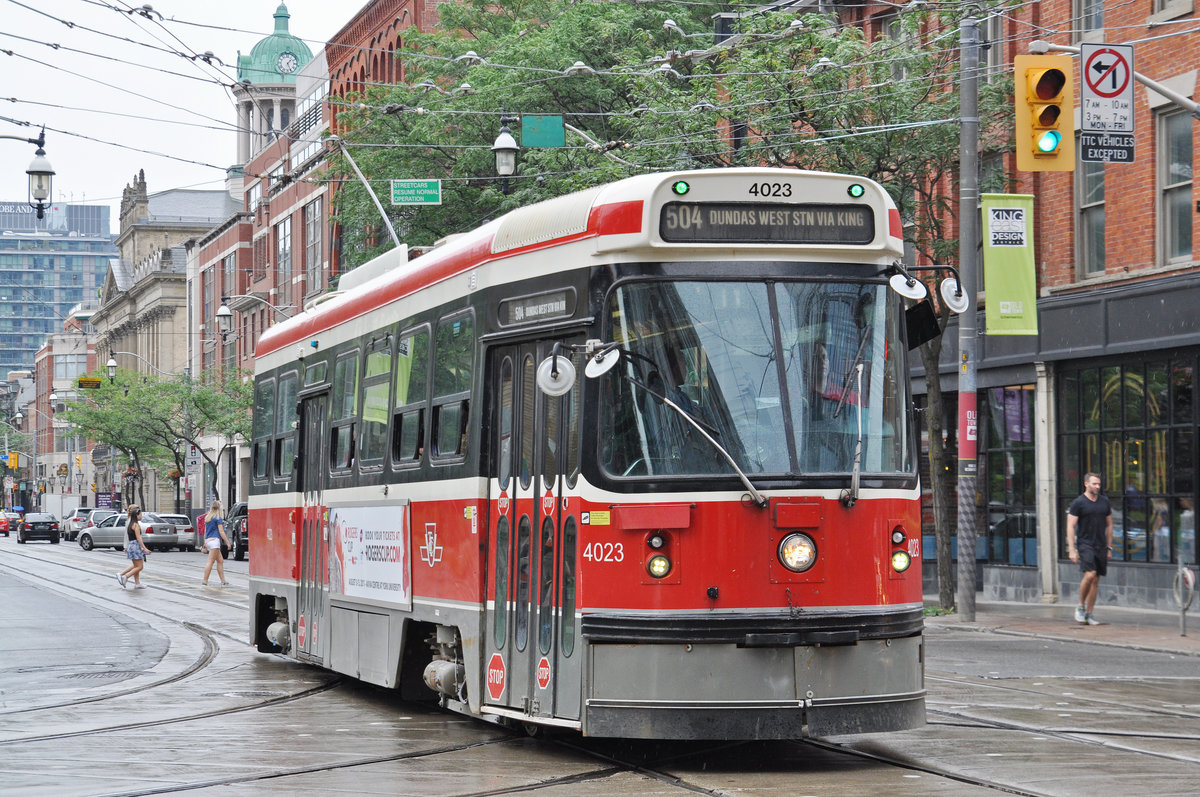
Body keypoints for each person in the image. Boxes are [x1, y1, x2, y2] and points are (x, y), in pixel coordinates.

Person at [1066, 472, 1113, 625]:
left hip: (1101, 545)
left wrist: (1109, 547)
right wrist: (1072, 549)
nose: (1097, 487)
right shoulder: (1078, 503)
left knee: (1095, 580)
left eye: (1099, 484)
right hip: (1085, 544)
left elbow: (1109, 525)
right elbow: (1070, 526)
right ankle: (1080, 605)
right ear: (1086, 484)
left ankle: (1089, 614)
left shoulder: (1104, 502)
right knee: (1090, 574)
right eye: (1094, 484)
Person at [117, 505, 149, 590]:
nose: (141, 516)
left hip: (131, 545)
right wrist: (144, 548)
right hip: (135, 546)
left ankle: (136, 583)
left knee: (136, 566)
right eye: (140, 514)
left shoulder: (130, 522)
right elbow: (138, 538)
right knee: (140, 566)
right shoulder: (135, 525)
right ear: (136, 515)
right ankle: (125, 577)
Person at [201, 499, 231, 587]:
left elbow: (205, 531)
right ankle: (205, 581)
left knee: (220, 561)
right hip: (215, 541)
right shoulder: (218, 518)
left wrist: (205, 542)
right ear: (219, 508)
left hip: (208, 541)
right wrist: (228, 542)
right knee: (210, 561)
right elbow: (221, 532)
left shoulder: (208, 517)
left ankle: (223, 580)